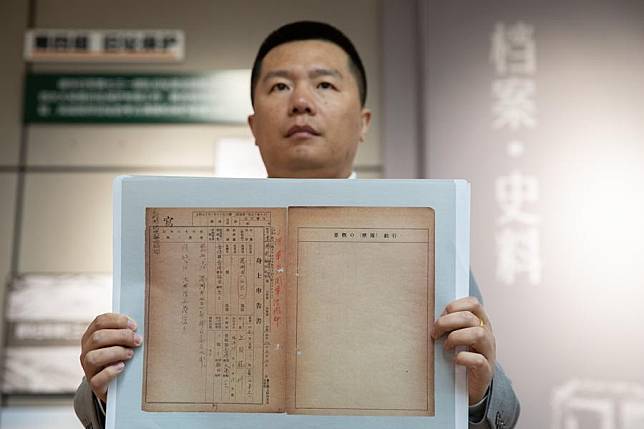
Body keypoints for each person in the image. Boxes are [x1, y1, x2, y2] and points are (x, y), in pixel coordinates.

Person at [75, 21, 520, 429]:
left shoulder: (431, 236)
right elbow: (115, 404)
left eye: (325, 84)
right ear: (253, 125)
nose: (301, 102)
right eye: (280, 86)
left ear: (363, 122)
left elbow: (505, 412)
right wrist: (104, 388)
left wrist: (476, 394)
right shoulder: (186, 241)